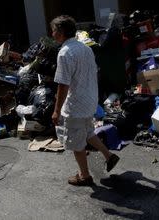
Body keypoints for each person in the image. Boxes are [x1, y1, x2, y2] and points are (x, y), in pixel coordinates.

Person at [51, 15, 120, 186]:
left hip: (76, 104)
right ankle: (109, 156)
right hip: (90, 100)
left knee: (76, 142)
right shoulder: (85, 48)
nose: (52, 34)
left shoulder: (64, 53)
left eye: (53, 31)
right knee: (88, 132)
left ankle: (84, 176)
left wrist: (56, 110)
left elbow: (63, 85)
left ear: (60, 33)